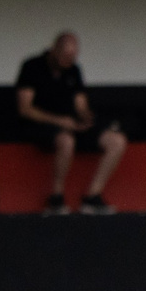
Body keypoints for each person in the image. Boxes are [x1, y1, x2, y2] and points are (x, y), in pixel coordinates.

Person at [13, 32, 128, 214]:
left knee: (117, 141)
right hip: (41, 125)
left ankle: (92, 196)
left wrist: (86, 119)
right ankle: (56, 197)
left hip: (71, 124)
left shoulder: (74, 70)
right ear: (54, 50)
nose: (69, 61)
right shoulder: (32, 67)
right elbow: (25, 109)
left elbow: (80, 105)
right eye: (65, 56)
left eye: (73, 57)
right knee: (66, 141)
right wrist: (60, 121)